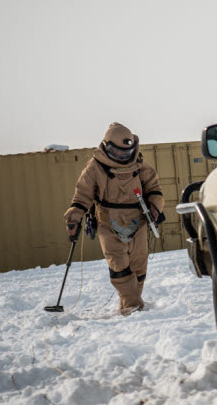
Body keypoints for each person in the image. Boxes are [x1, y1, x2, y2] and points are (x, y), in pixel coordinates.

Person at [63, 123, 163, 315]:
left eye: (126, 152)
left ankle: (129, 303)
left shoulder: (139, 165)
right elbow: (82, 195)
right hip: (109, 223)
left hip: (138, 222)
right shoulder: (95, 167)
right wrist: (74, 216)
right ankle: (133, 307)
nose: (122, 156)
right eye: (117, 152)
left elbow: (153, 187)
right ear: (107, 146)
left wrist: (155, 205)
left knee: (139, 266)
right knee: (119, 266)